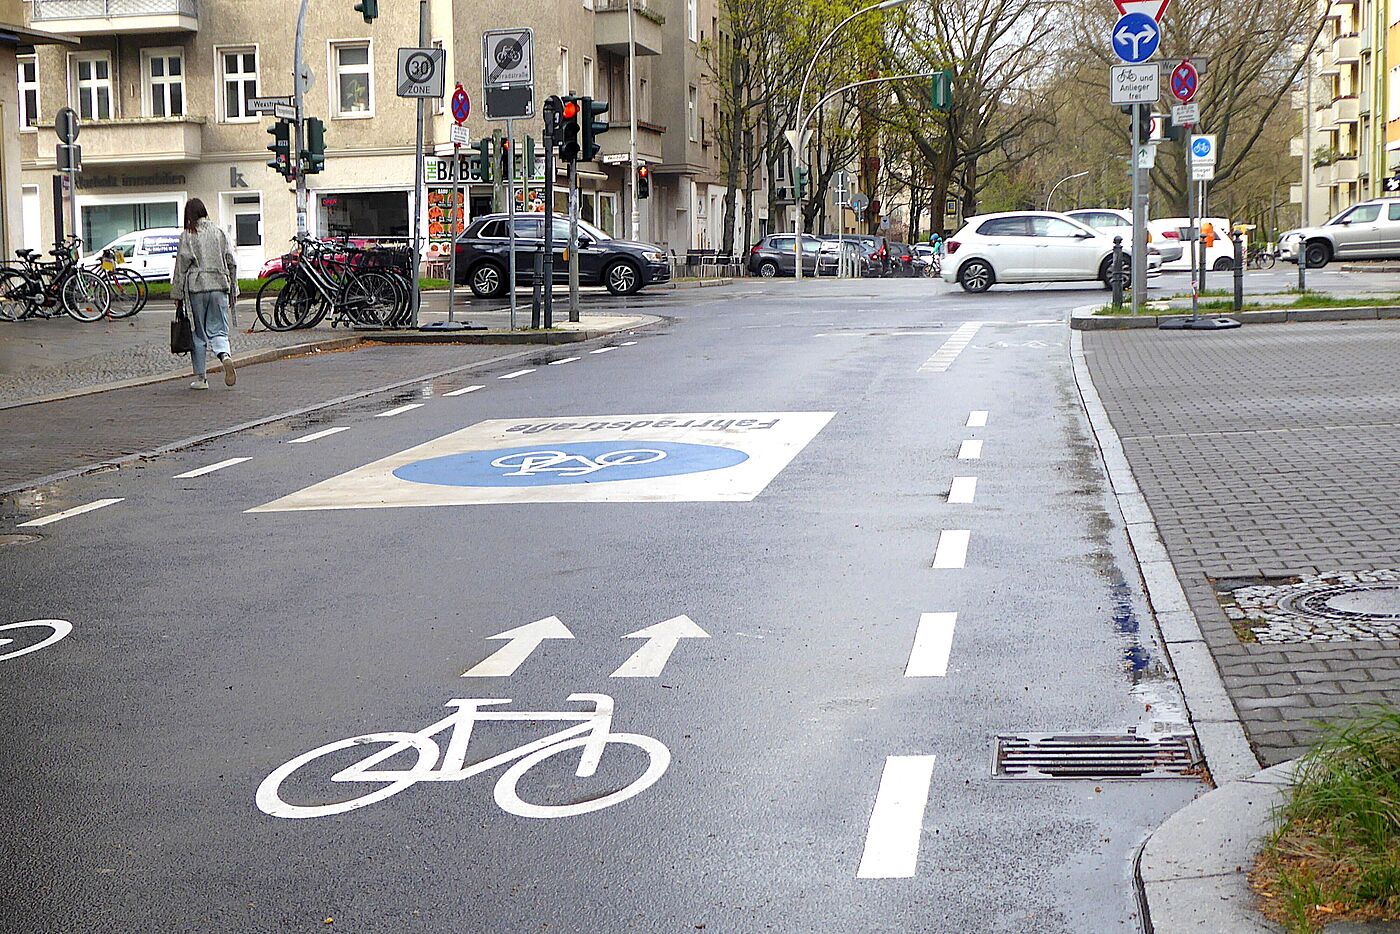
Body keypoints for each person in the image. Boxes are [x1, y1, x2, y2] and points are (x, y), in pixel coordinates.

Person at [171, 198, 240, 390]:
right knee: (219, 329)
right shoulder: (219, 233)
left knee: (198, 334)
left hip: (197, 287)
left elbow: (181, 266)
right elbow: (231, 261)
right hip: (219, 285)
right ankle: (224, 355)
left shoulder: (187, 235)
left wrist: (177, 294)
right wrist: (233, 288)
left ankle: (201, 379)